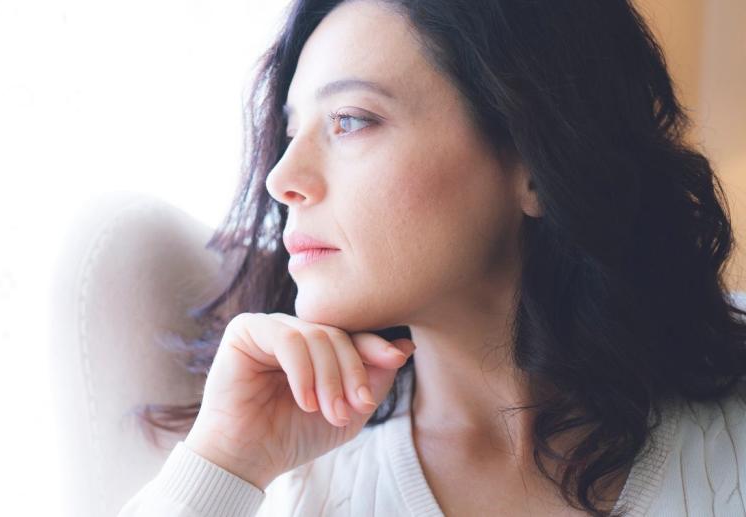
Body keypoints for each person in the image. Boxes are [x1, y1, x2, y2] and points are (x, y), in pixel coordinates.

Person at [118, 0, 746, 515]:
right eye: (287, 135)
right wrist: (226, 458)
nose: (282, 178)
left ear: (533, 163)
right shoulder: (300, 484)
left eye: (350, 121)